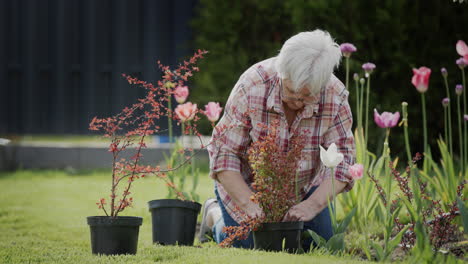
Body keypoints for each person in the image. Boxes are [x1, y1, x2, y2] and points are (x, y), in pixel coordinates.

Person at [199, 30, 355, 250]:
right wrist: (248, 204)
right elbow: (225, 153)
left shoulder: (335, 95)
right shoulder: (252, 86)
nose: (297, 102)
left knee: (320, 246)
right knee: (249, 245)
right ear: (282, 73)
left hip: (304, 189)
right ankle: (215, 215)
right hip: (248, 186)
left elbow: (343, 163)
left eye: (307, 96)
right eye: (291, 91)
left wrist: (312, 205)